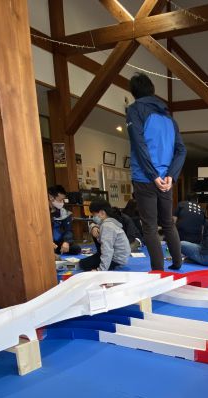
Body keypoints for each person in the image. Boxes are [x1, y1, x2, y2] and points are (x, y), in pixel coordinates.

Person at [126, 73, 186, 271]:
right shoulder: (169, 118)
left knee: (150, 226)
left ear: (133, 92)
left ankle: (158, 272)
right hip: (165, 181)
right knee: (168, 223)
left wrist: (153, 175)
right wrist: (171, 176)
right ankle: (177, 263)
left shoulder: (134, 110)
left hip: (145, 178)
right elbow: (181, 150)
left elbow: (139, 144)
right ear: (152, 90)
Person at [79, 200, 131, 271]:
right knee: (95, 230)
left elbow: (107, 250)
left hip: (116, 260)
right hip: (117, 256)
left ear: (102, 213)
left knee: (83, 264)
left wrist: (100, 270)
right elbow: (93, 225)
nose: (93, 217)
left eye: (94, 215)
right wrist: (93, 227)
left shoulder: (107, 226)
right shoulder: (108, 222)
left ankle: (107, 266)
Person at [48, 184, 80, 255]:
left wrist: (66, 242)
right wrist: (48, 242)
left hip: (59, 242)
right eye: (60, 200)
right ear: (51, 197)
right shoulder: (42, 213)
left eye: (63, 200)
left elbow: (69, 230)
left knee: (76, 248)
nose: (62, 203)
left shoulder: (64, 212)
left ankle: (56, 251)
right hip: (48, 242)